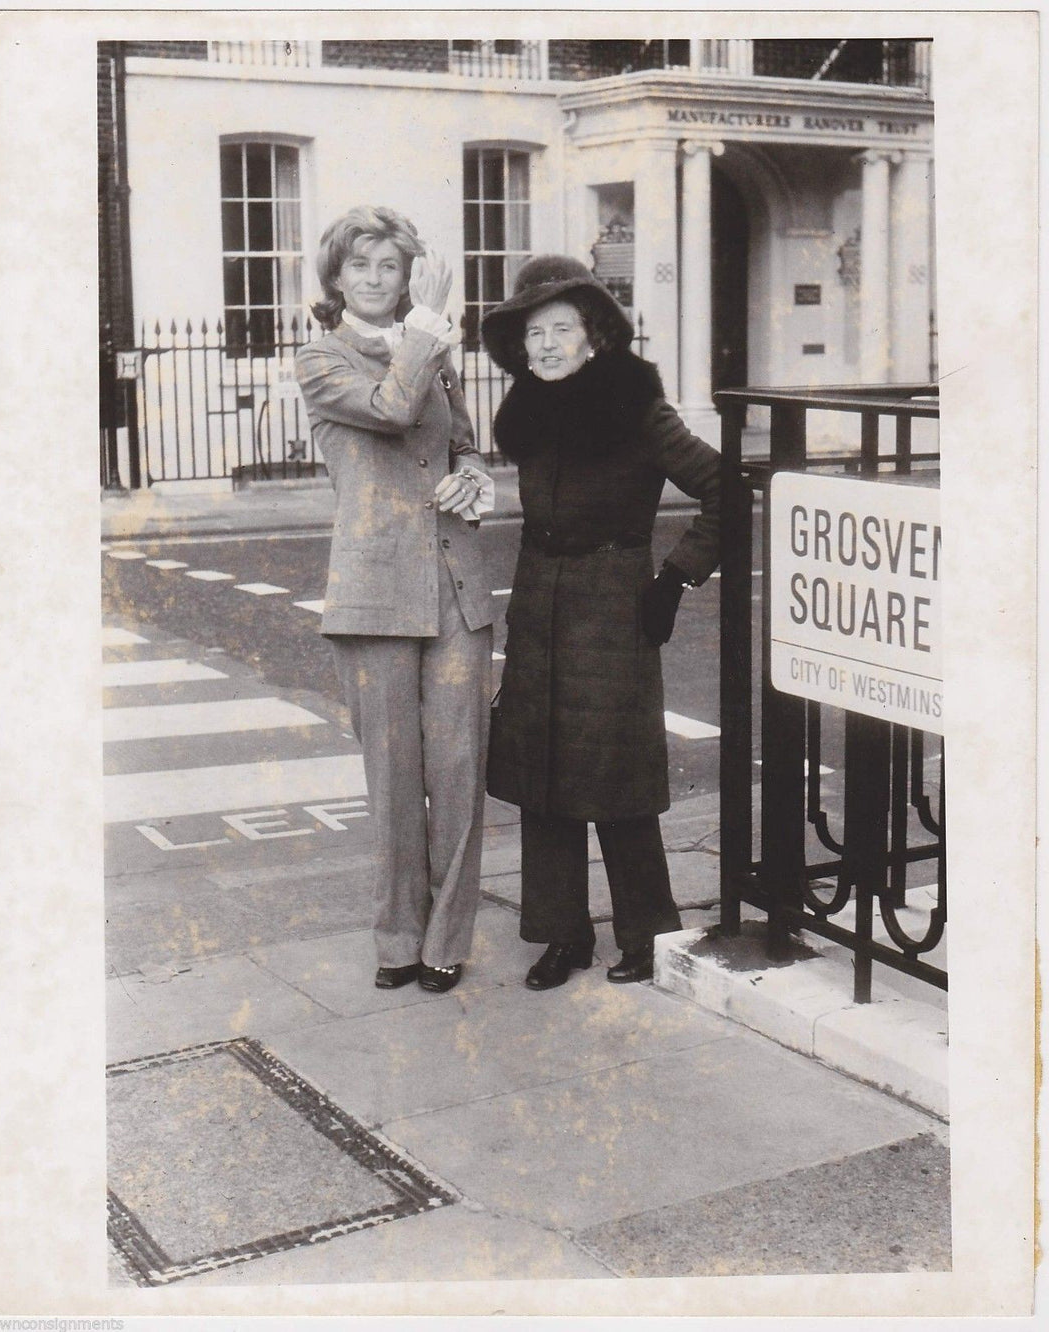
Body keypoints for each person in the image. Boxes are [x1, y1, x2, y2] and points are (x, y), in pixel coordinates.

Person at [482, 255, 745, 990]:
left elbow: (728, 489)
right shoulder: (530, 410)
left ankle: (646, 933)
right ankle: (564, 936)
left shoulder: (639, 408)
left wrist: (675, 576)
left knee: (617, 775)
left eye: (561, 329)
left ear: (594, 335)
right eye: (533, 333)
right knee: (543, 773)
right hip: (538, 601)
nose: (545, 345)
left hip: (614, 600)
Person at [296, 205, 494, 994]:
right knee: (393, 777)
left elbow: (463, 441)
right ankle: (397, 940)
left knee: (458, 772)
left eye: (391, 267)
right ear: (336, 278)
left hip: (454, 588)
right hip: (374, 594)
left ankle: (446, 940)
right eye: (361, 267)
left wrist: (476, 478)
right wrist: (430, 325)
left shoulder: (431, 350)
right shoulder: (321, 358)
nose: (378, 281)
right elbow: (393, 409)